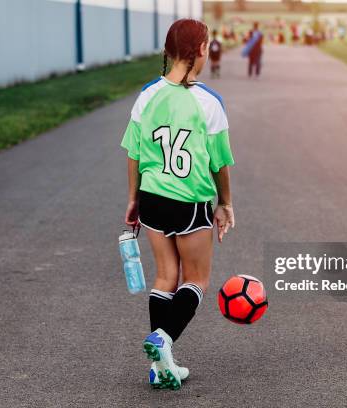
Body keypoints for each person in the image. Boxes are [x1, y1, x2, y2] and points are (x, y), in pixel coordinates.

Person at [120, 18, 235, 391]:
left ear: (168, 52)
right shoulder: (208, 102)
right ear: (202, 50)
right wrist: (225, 204)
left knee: (164, 277)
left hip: (153, 198)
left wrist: (134, 199)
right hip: (191, 202)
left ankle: (160, 367)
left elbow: (134, 153)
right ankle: (163, 339)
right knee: (196, 279)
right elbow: (219, 162)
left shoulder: (147, 95)